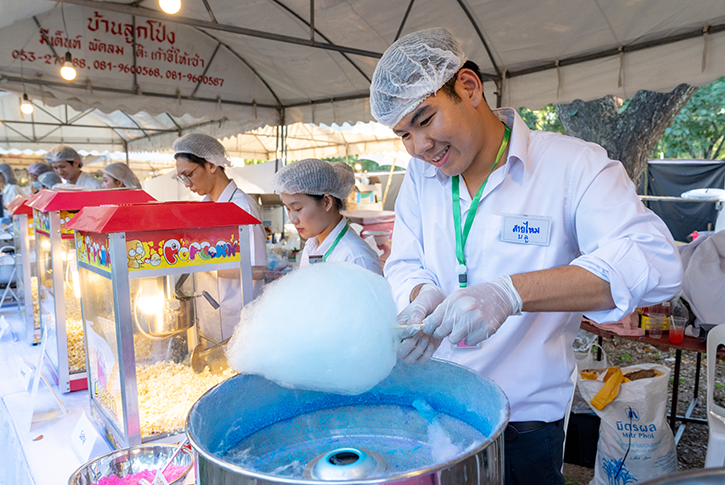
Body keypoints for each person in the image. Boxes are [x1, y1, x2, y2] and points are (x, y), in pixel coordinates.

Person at [371, 28, 682, 485]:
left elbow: (654, 260)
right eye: (404, 135)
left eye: (425, 119)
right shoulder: (421, 179)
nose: (420, 146)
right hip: (434, 408)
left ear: (469, 88)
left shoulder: (571, 166)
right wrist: (421, 295)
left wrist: (510, 294)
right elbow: (405, 260)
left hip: (523, 425)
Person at [172, 133, 267, 334]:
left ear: (211, 165)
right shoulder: (205, 207)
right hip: (211, 314)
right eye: (182, 178)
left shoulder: (242, 207)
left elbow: (257, 269)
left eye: (188, 174)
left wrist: (205, 266)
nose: (187, 183)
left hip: (237, 315)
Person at [273, 158, 382, 275]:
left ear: (326, 202)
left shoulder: (356, 258)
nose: (292, 219)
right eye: (288, 209)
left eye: (297, 209)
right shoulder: (312, 246)